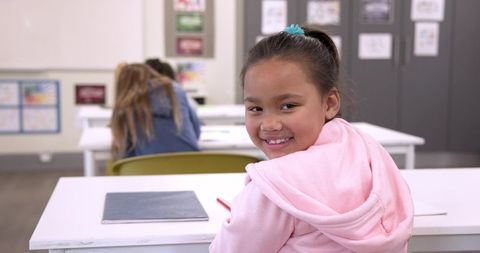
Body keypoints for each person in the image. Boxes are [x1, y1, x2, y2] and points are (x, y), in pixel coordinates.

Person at [209, 25, 413, 252]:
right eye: (255, 108)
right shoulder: (364, 148)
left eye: (288, 106)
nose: (270, 124)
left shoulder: (277, 187)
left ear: (330, 104)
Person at [110, 63, 201, 161]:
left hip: (150, 170)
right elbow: (196, 132)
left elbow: (123, 152)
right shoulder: (176, 91)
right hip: (191, 167)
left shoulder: (126, 104)